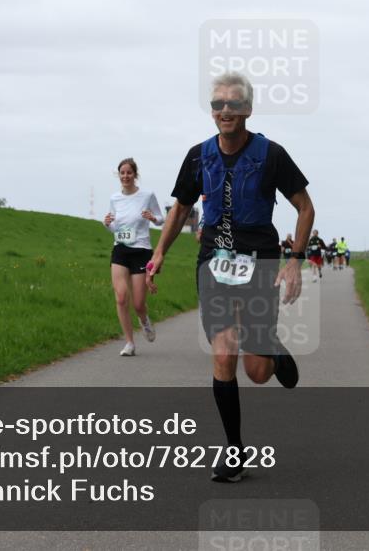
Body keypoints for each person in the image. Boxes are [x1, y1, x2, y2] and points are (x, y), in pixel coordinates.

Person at [146, 72, 314, 483]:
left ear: (247, 110)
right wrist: (159, 252)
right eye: (218, 104)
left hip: (260, 262)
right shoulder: (197, 156)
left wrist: (295, 260)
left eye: (233, 104)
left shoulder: (271, 154)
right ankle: (234, 451)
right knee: (223, 354)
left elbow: (305, 207)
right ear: (212, 110)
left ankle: (271, 351)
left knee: (256, 373)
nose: (225, 111)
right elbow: (180, 209)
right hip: (213, 263)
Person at [103, 158, 164, 356]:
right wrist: (107, 223)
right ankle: (129, 343)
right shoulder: (115, 198)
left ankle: (144, 320)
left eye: (129, 173)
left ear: (135, 175)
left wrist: (153, 218)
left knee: (138, 303)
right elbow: (115, 227)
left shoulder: (147, 195)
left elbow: (161, 219)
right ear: (118, 175)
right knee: (121, 298)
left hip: (141, 250)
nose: (125, 176)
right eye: (122, 173)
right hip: (120, 249)